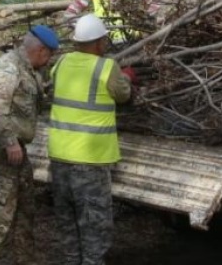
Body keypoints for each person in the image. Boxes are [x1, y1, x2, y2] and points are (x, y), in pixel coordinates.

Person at [47, 14, 136, 265]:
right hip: (90, 161)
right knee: (94, 228)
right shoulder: (106, 66)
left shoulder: (61, 62)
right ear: (98, 43)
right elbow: (122, 94)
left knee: (68, 223)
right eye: (104, 41)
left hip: (59, 158)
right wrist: (128, 76)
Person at [0, 25, 60, 262]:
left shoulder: (29, 69)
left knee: (24, 208)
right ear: (41, 50)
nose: (49, 60)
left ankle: (20, 259)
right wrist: (10, 142)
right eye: (49, 54)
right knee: (0, 212)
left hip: (15, 148)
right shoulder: (9, 66)